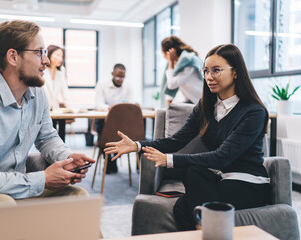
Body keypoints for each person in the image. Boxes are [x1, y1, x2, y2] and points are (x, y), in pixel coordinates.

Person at [105, 44, 271, 230]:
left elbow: (222, 156)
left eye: (216, 70)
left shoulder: (254, 112)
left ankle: (202, 223)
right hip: (221, 177)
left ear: (235, 73)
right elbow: (176, 141)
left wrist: (168, 160)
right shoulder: (206, 106)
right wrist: (136, 146)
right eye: (206, 70)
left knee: (183, 208)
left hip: (248, 182)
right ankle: (203, 224)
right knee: (192, 171)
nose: (209, 77)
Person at [0, 20, 95, 208]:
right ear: (13, 57)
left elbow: (47, 137)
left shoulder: (37, 93)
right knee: (1, 204)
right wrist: (43, 179)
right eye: (39, 52)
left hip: (12, 188)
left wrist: (68, 157)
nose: (46, 61)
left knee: (77, 196)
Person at [94, 63, 133, 173]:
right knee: (103, 135)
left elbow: (130, 104)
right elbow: (98, 104)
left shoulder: (128, 86)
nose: (120, 79)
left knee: (132, 128)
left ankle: (113, 159)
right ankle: (109, 160)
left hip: (121, 121)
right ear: (112, 74)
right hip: (104, 120)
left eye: (122, 77)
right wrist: (112, 108)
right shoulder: (102, 84)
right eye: (117, 76)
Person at [160, 36, 203, 107]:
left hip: (201, 102)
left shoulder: (188, 61)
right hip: (194, 101)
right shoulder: (181, 64)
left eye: (163, 53)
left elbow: (171, 85)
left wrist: (171, 62)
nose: (163, 56)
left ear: (168, 53)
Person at [43, 45, 72, 111]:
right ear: (49, 54)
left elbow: (65, 93)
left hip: (54, 109)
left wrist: (72, 109)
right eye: (58, 55)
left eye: (62, 56)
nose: (60, 59)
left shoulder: (61, 71)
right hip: (42, 109)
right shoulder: (42, 70)